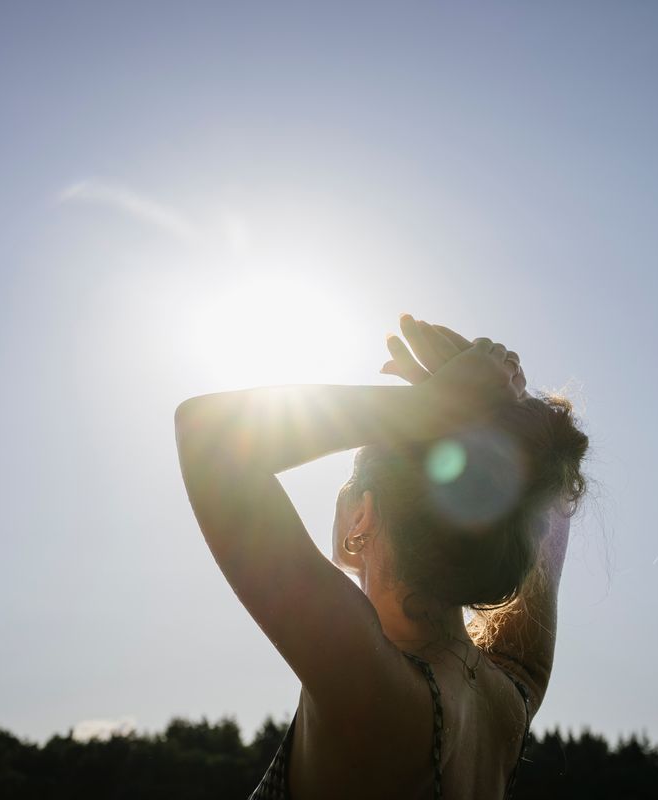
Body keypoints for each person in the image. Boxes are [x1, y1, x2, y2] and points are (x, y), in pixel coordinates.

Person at [175, 315, 589, 799]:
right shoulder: (511, 700)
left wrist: (433, 407)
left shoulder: (367, 682)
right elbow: (548, 503)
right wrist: (503, 415)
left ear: (362, 515)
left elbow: (207, 435)